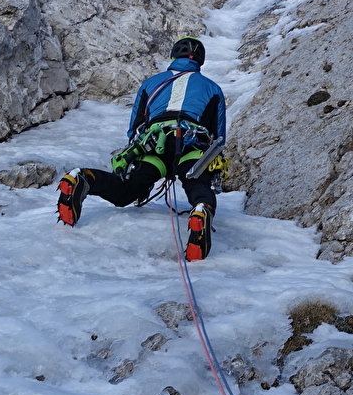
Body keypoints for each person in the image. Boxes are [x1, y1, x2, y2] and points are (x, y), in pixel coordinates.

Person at [56, 37, 226, 260]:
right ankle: (201, 208)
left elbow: (135, 126)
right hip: (191, 147)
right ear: (200, 61)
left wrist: (134, 159)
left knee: (126, 191)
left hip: (154, 145)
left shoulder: (151, 83)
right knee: (197, 185)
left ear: (173, 56)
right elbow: (218, 137)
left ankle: (84, 179)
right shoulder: (212, 88)